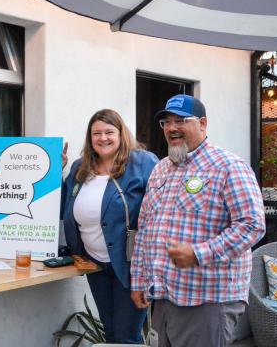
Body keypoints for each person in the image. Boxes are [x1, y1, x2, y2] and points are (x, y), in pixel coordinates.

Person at [130, 95, 265, 347]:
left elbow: (252, 225)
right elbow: (145, 229)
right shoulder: (161, 169)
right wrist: (139, 281)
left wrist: (199, 253)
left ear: (202, 124)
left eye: (181, 120)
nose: (171, 128)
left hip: (208, 300)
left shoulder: (228, 166)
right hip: (164, 295)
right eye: (166, 122)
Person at [61, 109, 159, 344]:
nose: (102, 138)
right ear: (90, 137)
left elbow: (160, 209)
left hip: (130, 265)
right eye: (97, 133)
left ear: (121, 133)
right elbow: (61, 204)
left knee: (127, 336)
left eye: (109, 132)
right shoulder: (79, 167)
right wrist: (54, 170)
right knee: (111, 331)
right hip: (95, 264)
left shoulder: (143, 162)